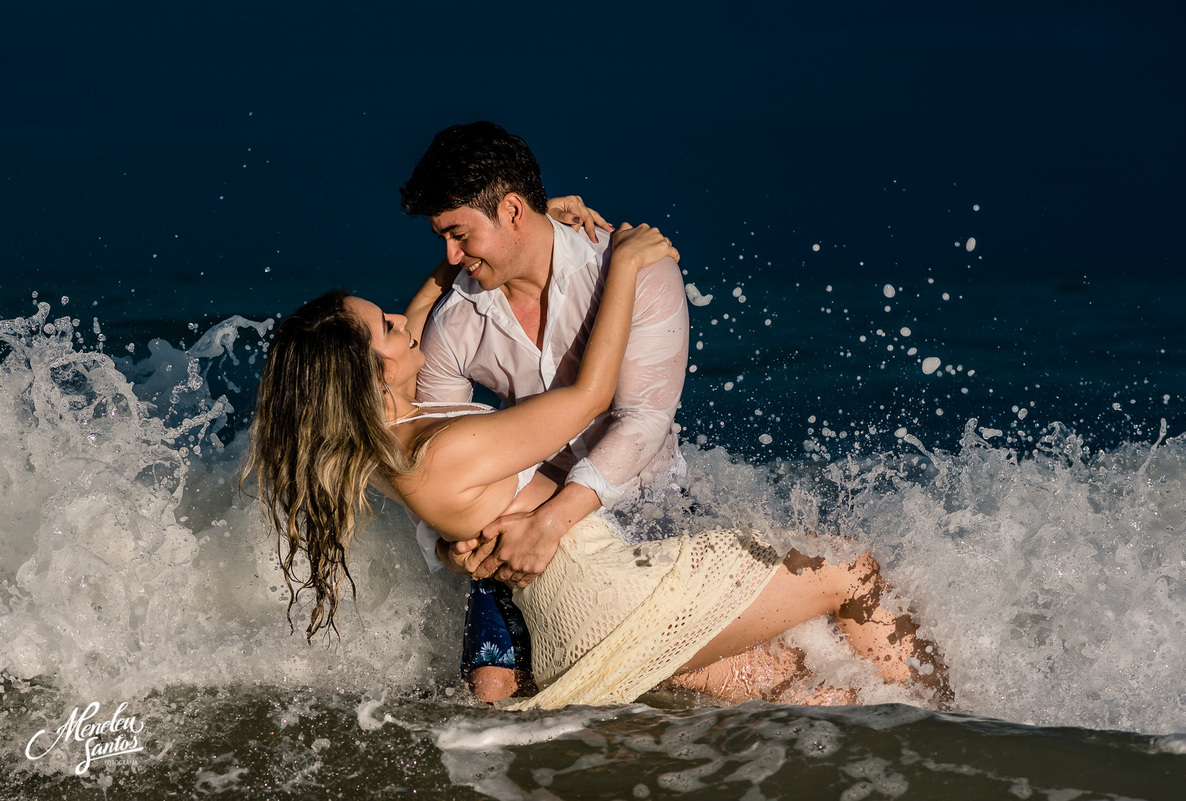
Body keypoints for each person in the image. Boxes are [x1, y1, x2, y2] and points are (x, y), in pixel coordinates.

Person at [244, 224, 953, 711]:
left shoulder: (383, 449)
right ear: (370, 378)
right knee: (848, 569)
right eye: (390, 329)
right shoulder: (447, 450)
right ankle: (949, 725)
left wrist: (513, 240)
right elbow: (588, 396)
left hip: (565, 625)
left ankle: (886, 736)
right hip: (607, 600)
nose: (408, 321)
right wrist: (623, 267)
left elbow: (415, 315)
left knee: (783, 675)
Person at [399, 121, 690, 701]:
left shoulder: (635, 263)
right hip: (522, 514)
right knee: (490, 692)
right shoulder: (456, 322)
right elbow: (427, 447)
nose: (452, 257)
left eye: (459, 234)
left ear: (511, 209)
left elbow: (643, 419)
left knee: (685, 691)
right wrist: (447, 545)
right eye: (442, 240)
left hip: (644, 506)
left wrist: (553, 523)